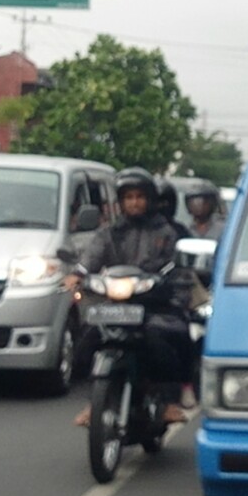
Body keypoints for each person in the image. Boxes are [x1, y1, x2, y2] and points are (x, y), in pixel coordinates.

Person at [70, 167, 191, 427]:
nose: (134, 202)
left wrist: (170, 285)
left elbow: (179, 269)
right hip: (116, 304)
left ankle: (169, 401)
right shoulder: (110, 233)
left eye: (139, 196)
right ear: (121, 201)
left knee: (162, 339)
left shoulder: (166, 233)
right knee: (88, 339)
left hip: (155, 304)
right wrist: (76, 275)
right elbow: (90, 260)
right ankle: (94, 403)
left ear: (149, 199)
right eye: (128, 197)